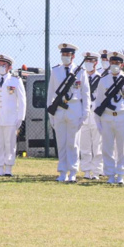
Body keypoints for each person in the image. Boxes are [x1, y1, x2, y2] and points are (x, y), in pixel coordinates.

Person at [47, 43, 90, 183]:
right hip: (59, 110)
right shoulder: (56, 71)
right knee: (61, 143)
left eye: (68, 55)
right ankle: (62, 171)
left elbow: (86, 94)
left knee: (73, 143)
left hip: (74, 109)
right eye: (63, 54)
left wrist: (85, 113)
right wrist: (51, 115)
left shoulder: (81, 71)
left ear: (73, 56)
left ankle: (72, 171)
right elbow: (50, 94)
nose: (65, 57)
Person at [95, 51, 124, 185]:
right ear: (109, 63)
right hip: (107, 117)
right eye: (112, 63)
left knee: (122, 148)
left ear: (121, 64)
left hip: (122, 117)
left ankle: (120, 174)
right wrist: (98, 121)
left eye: (117, 63)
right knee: (107, 148)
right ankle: (109, 174)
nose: (114, 65)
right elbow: (98, 102)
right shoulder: (103, 80)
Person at [0, 54, 25, 177]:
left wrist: (20, 117)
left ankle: (8, 168)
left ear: (9, 67)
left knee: (10, 144)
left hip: (11, 118)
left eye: (3, 65)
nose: (0, 67)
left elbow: (22, 100)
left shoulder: (15, 80)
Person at [79, 51, 104, 180]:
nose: (89, 63)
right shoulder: (80, 77)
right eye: (87, 61)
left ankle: (97, 171)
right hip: (84, 112)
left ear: (96, 63)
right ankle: (87, 170)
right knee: (84, 143)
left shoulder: (101, 79)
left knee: (97, 144)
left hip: (96, 113)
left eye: (91, 61)